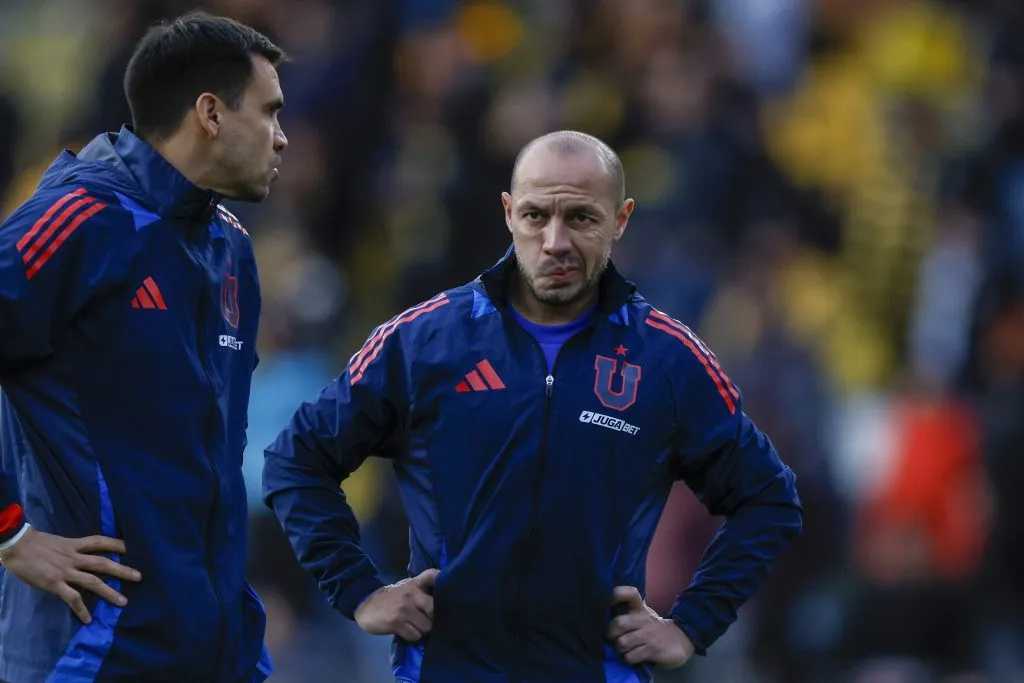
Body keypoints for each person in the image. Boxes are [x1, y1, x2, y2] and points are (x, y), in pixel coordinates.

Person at [263, 131, 802, 682]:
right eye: (535, 215)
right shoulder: (427, 341)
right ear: (507, 213)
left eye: (581, 218)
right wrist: (359, 590)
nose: (555, 241)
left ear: (621, 219)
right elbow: (295, 461)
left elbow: (769, 500)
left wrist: (690, 624)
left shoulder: (667, 359)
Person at [0, 11, 287, 683]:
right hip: (93, 651)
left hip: (213, 651)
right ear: (210, 113)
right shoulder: (81, 219)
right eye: (271, 113)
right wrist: (11, 530)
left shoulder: (231, 248)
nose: (283, 138)